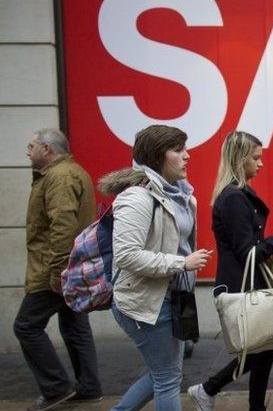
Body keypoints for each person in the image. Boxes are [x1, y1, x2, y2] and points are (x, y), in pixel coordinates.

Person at [99, 125, 212, 411]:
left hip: (172, 296)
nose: (187, 156)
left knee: (166, 374)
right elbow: (126, 255)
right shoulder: (137, 197)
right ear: (158, 156)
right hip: (144, 301)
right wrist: (182, 263)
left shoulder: (184, 196)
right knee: (167, 377)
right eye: (178, 150)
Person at [187, 131, 273, 411]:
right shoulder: (234, 199)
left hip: (245, 283)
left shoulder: (237, 195)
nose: (261, 164)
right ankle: (208, 389)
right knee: (257, 350)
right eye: (256, 158)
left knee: (263, 350)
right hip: (241, 286)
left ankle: (215, 392)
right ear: (240, 159)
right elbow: (248, 253)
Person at [14, 128, 103, 411]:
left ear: (48, 149)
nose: (28, 152)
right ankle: (88, 388)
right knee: (75, 326)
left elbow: (61, 228)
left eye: (32, 146)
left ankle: (56, 388)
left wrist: (56, 273)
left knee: (26, 326)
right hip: (71, 265)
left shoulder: (60, 177)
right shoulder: (68, 173)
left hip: (55, 268)